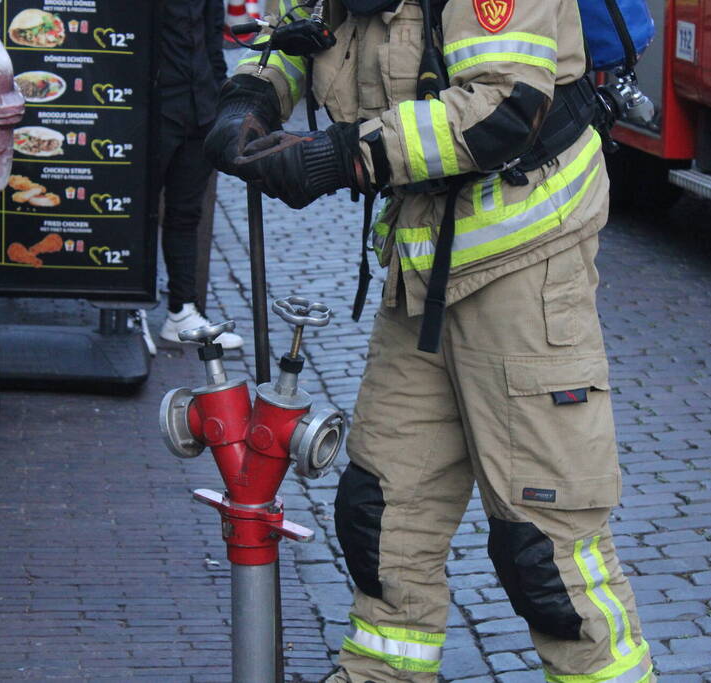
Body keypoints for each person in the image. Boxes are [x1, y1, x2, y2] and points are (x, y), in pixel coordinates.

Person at [207, 0, 656, 681]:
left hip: (524, 268)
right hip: (422, 271)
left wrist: (341, 158)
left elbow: (503, 107)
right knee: (382, 515)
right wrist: (251, 96)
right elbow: (301, 28)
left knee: (547, 552)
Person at [156, 0, 243, 348]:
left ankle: (181, 310)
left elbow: (212, 41)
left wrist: (222, 103)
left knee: (186, 212)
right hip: (153, 106)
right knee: (137, 211)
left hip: (199, 107)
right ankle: (128, 309)